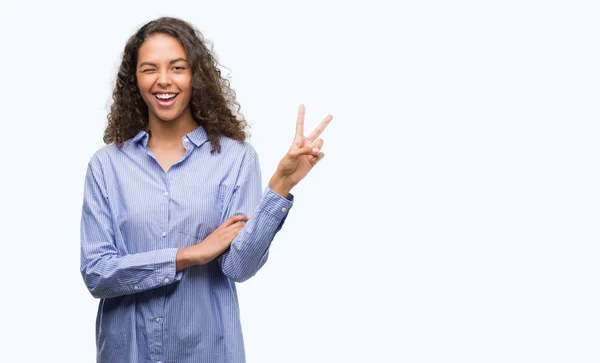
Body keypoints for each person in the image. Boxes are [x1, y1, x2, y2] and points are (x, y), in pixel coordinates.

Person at [80, 17, 332, 363]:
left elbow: (238, 268)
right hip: (128, 352)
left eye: (177, 67)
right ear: (134, 80)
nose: (163, 80)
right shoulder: (107, 166)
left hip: (206, 352)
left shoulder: (236, 159)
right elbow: (97, 273)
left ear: (194, 76)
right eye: (149, 69)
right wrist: (188, 255)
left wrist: (280, 185)